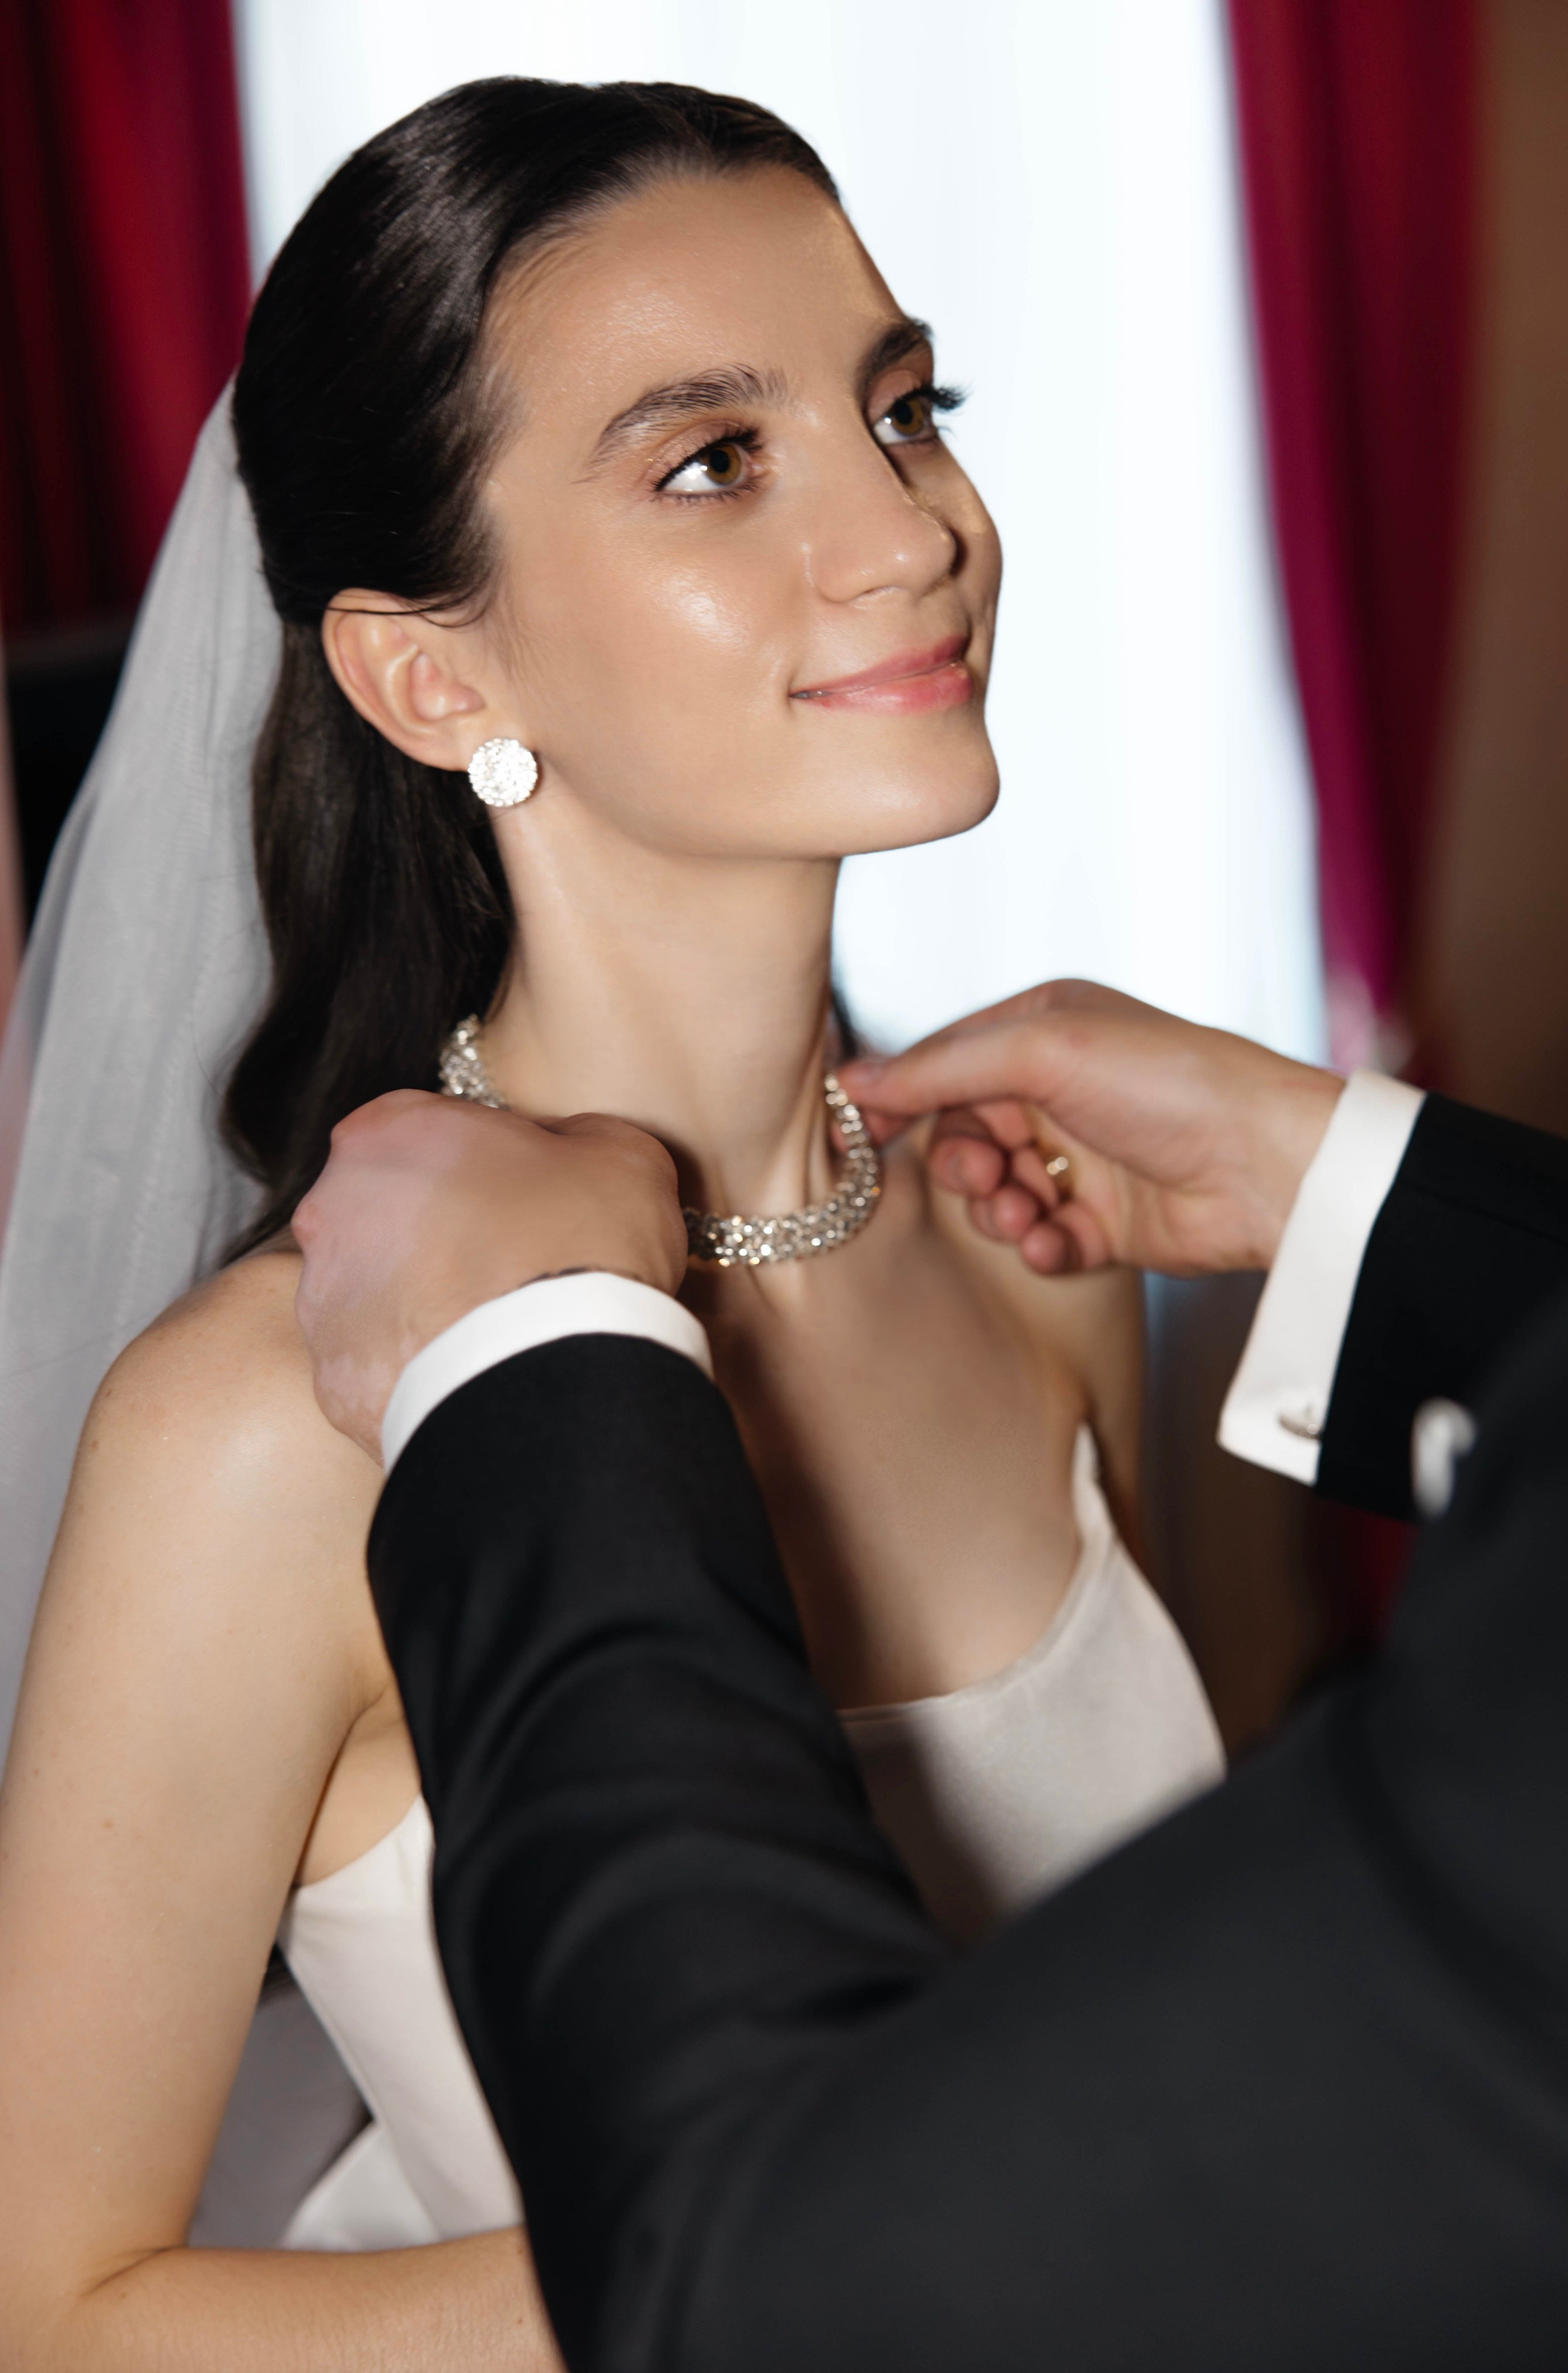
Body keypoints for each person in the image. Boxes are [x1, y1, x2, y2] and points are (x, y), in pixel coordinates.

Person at [0, 79, 1223, 2367]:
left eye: (904, 409)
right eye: (715, 461)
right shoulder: (266, 1434)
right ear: (429, 676)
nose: (912, 531)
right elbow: (45, 2307)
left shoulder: (1024, 1243)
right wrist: (855, 2252)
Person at [293, 980, 1568, 2371]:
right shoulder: (271, 1430)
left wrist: (523, 1373)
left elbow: (794, 2286)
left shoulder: (1016, 1266)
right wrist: (1322, 1168)